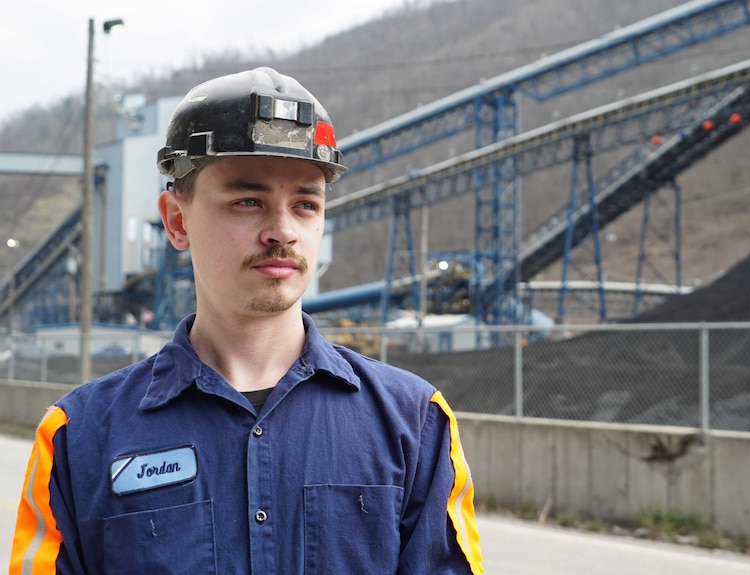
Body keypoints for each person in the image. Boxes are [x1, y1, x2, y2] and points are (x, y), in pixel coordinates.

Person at [9, 67, 483, 574]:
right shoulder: (77, 439)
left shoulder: (416, 422)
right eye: (248, 201)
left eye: (305, 204)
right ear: (176, 220)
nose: (282, 231)